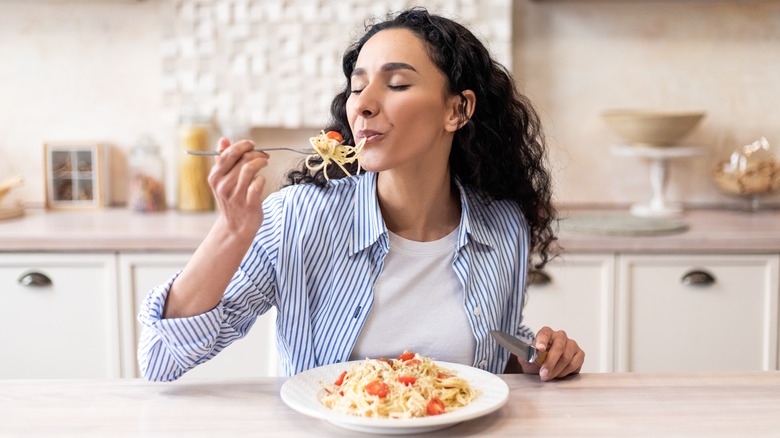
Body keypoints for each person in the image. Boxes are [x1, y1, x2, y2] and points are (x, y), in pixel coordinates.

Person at [138, 7, 584, 382]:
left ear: (457, 109)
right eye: (357, 86)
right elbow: (160, 359)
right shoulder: (298, 218)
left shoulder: (503, 227)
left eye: (396, 84)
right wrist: (232, 232)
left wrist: (539, 356)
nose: (363, 104)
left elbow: (490, 354)